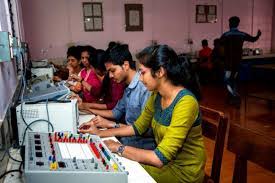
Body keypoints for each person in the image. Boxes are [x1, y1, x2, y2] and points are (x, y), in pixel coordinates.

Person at [79, 45, 206, 183]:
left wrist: (118, 148)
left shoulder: (185, 102)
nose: (139, 78)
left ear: (160, 72)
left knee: (122, 174)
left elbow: (159, 158)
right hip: (166, 165)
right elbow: (137, 127)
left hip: (184, 174)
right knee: (118, 168)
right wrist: (100, 133)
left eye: (143, 72)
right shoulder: (156, 95)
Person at [79, 44, 155, 150]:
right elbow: (116, 112)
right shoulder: (128, 86)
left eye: (113, 70)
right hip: (128, 138)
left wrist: (112, 125)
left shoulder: (144, 88)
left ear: (126, 65)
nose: (110, 76)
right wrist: (89, 110)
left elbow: (145, 130)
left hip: (141, 143)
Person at [220, 16, 261, 105]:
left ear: (230, 24)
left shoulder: (226, 35)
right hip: (237, 62)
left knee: (226, 80)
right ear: (238, 24)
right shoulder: (242, 34)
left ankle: (234, 95)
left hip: (228, 63)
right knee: (234, 80)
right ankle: (232, 97)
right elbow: (254, 39)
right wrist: (258, 35)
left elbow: (219, 44)